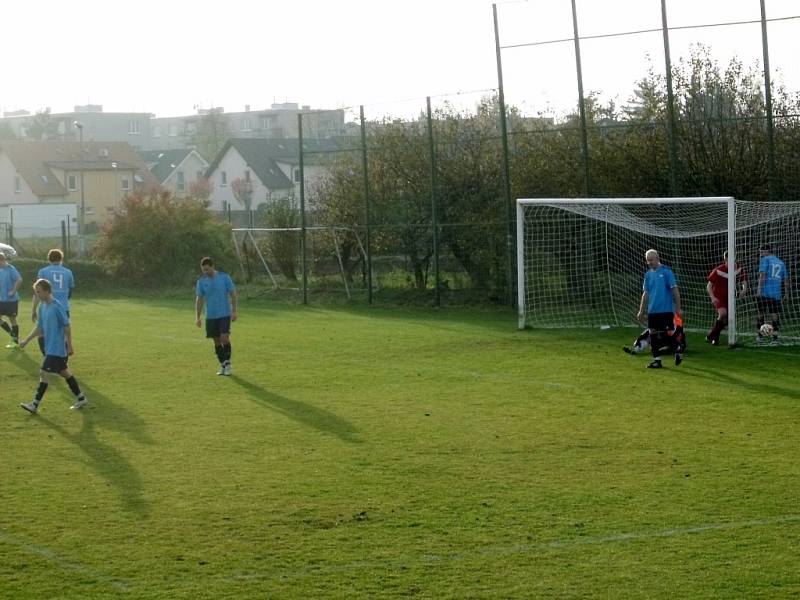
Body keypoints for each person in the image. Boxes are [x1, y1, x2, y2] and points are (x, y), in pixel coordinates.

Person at [18, 278, 88, 414]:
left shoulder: (57, 306)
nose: (37, 295)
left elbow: (67, 325)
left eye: (39, 292)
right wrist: (27, 340)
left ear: (47, 291)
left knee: (43, 372)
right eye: (35, 292)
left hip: (57, 348)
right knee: (65, 372)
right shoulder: (42, 307)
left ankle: (34, 404)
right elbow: (40, 327)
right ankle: (81, 398)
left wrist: (70, 345)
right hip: (50, 347)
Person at [636, 249, 683, 369]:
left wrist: (678, 308)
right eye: (648, 260)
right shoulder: (648, 275)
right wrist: (641, 310)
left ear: (657, 258)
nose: (650, 262)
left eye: (651, 260)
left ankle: (678, 348)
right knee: (652, 334)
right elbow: (645, 293)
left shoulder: (667, 272)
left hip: (666, 310)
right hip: (653, 311)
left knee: (665, 335)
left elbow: (675, 291)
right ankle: (657, 360)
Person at [195, 256, 237, 375]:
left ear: (212, 266)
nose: (206, 272)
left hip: (224, 313)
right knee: (216, 341)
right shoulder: (201, 281)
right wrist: (197, 317)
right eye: (204, 270)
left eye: (207, 269)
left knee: (224, 338)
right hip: (210, 316)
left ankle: (228, 364)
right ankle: (222, 365)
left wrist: (234, 311)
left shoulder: (224, 277)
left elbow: (233, 294)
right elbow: (199, 299)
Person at [31, 248, 75, 355]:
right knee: (61, 334)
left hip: (47, 308)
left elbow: (38, 292)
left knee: (41, 333)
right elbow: (70, 292)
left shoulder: (43, 271)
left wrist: (33, 310)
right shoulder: (68, 272)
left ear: (48, 259)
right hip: (63, 308)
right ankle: (62, 359)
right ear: (61, 259)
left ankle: (47, 357)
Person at [705, 251, 747, 346]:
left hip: (730, 296)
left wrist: (744, 290)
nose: (731, 260)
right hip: (718, 296)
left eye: (733, 257)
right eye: (728, 258)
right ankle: (715, 338)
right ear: (725, 259)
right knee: (723, 313)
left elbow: (744, 281)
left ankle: (712, 335)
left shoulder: (739, 268)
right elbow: (708, 286)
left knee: (728, 319)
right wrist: (712, 297)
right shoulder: (718, 270)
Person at [756, 243, 788, 345]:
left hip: (765, 292)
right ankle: (775, 338)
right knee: (774, 315)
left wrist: (759, 289)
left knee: (761, 313)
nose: (761, 254)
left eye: (761, 252)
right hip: (776, 293)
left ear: (767, 251)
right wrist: (786, 293)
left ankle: (760, 337)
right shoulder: (781, 262)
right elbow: (786, 279)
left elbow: (763, 275)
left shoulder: (765, 260)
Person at [0, 251, 22, 349]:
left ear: (2, 260)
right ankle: (12, 335)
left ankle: (15, 341)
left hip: (11, 300)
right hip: (1, 299)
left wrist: (13, 291)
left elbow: (19, 279)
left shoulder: (10, 269)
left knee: (12, 319)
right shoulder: (0, 270)